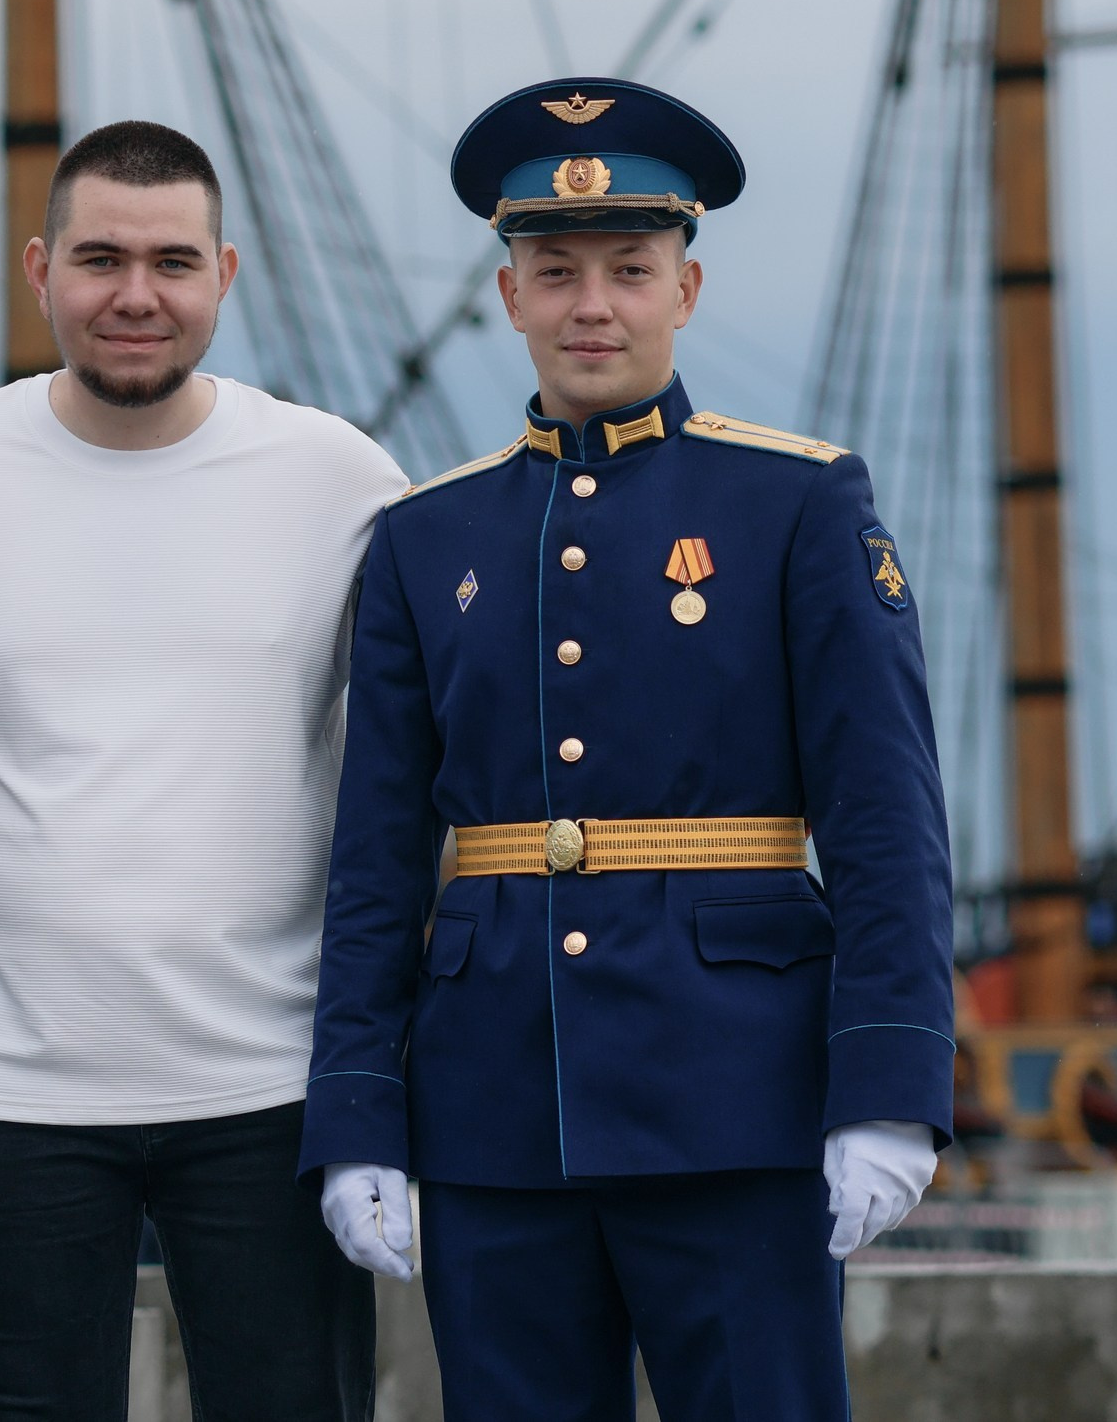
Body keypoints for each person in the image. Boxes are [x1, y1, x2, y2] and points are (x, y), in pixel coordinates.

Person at [300, 78, 955, 1421]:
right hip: (493, 1107)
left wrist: (891, 1085)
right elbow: (374, 859)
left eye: (629, 271)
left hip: (740, 1095)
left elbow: (886, 819)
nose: (592, 304)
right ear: (510, 298)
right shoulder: (429, 539)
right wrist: (357, 1112)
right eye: (556, 272)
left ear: (686, 290)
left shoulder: (798, 502)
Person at [0, 120, 406, 1422]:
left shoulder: (342, 482)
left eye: (172, 262)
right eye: (99, 258)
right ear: (39, 270)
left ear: (226, 274)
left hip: (275, 1090)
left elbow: (415, 791)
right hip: (1, 1091)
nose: (136, 295)